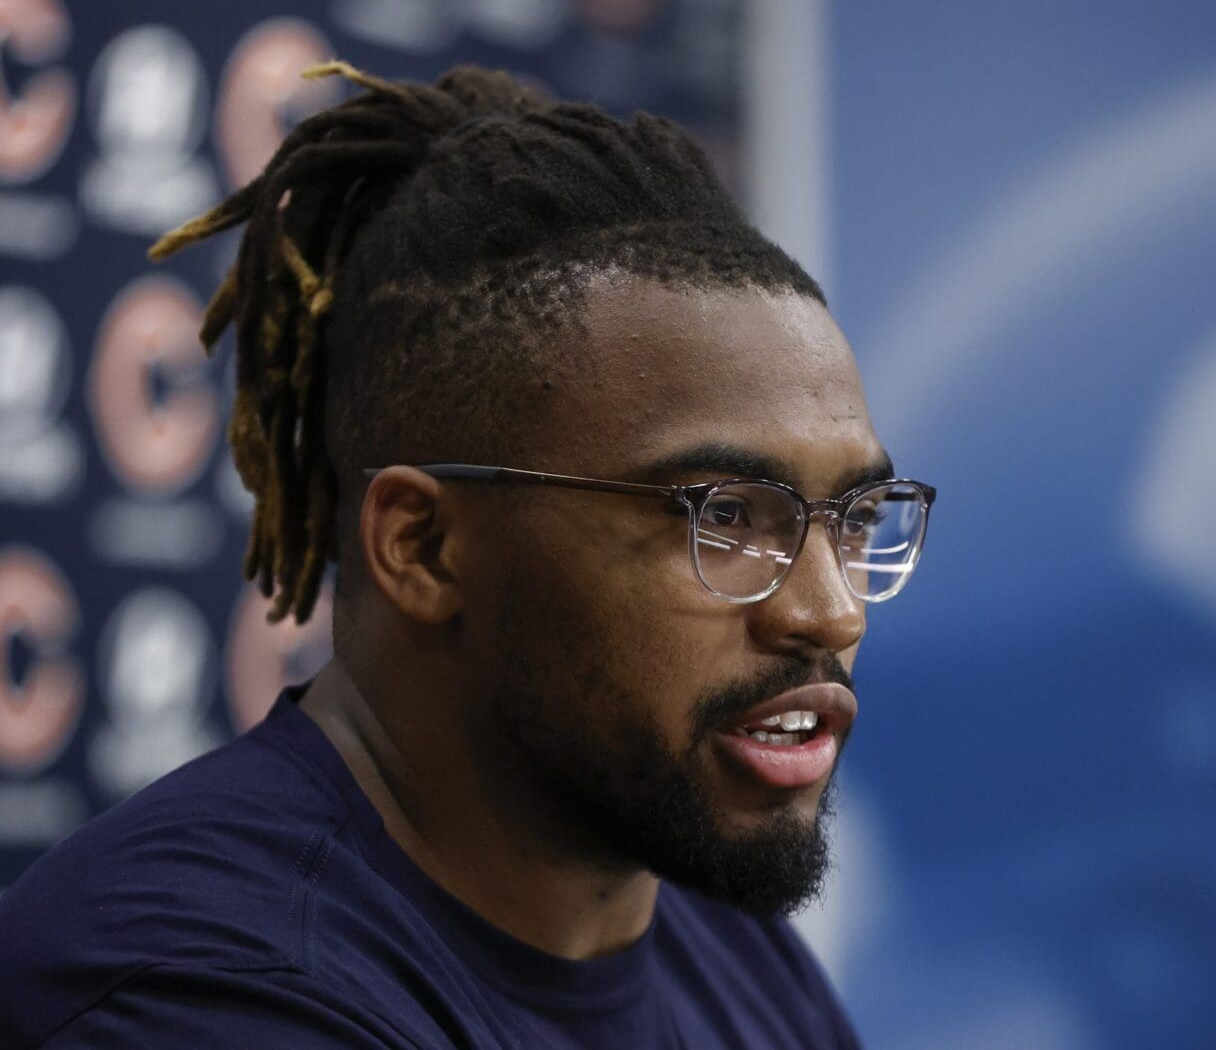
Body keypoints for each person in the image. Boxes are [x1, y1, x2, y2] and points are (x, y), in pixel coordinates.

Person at [0, 62, 934, 1047]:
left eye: (855, 519)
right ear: (423, 546)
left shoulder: (735, 956)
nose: (832, 612)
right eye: (727, 516)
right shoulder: (204, 991)